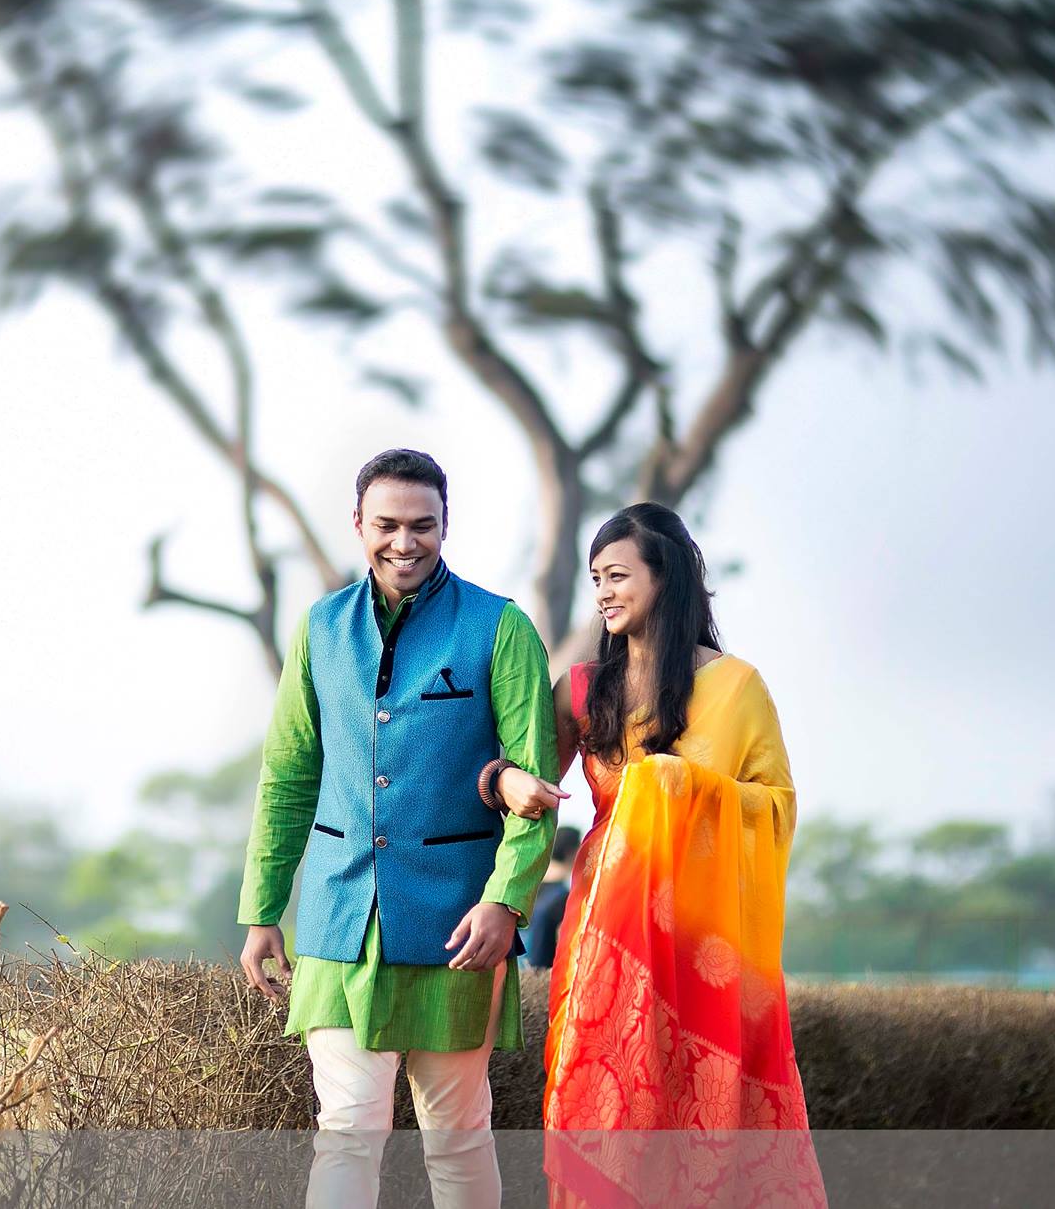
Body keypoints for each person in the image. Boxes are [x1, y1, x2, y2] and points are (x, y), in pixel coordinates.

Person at [237, 448, 560, 1209]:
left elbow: (533, 781)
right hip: (338, 923)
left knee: (456, 1134)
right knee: (346, 1127)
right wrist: (261, 911)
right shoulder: (319, 629)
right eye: (386, 525)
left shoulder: (500, 627)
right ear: (358, 525)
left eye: (423, 525)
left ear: (446, 525)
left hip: (459, 929)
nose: (404, 542)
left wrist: (506, 901)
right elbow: (288, 776)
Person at [492, 503, 826, 1208]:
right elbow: (529, 780)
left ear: (666, 577)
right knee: (600, 1107)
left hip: (706, 946)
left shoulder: (737, 688)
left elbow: (776, 804)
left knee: (696, 1117)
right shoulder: (584, 689)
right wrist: (504, 778)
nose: (605, 591)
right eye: (595, 579)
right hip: (606, 938)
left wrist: (684, 785)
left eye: (618, 575)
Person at [523, 826, 581, 969]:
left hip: (516, 967)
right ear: (570, 852)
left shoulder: (527, 885)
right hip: (540, 973)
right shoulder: (563, 896)